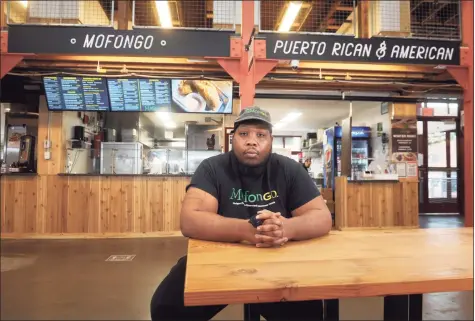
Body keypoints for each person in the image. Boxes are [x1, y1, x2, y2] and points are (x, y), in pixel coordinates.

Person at [150, 106, 332, 321]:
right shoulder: (212, 168)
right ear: (232, 138)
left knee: (307, 315)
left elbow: (322, 217)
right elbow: (190, 220)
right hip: (218, 260)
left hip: (277, 261)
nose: (252, 141)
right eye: (244, 133)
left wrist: (286, 228)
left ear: (271, 140)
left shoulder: (290, 169)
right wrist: (247, 230)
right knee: (166, 307)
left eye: (261, 135)